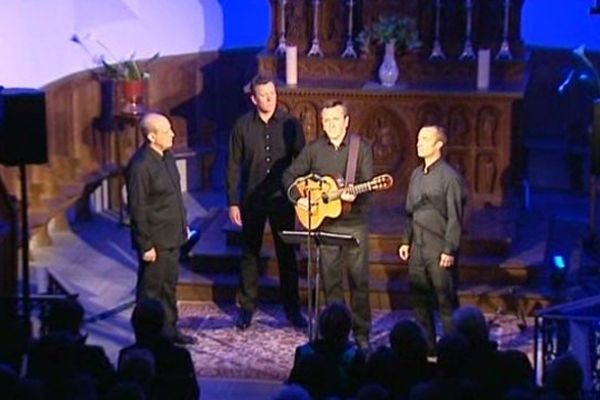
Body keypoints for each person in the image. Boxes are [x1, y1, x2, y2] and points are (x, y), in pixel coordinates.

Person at [283, 100, 374, 351]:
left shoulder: (361, 148)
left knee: (359, 281)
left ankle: (362, 333)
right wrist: (300, 199)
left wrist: (356, 197)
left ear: (346, 122)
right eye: (327, 121)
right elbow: (289, 177)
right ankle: (336, 334)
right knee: (330, 281)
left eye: (336, 120)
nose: (331, 126)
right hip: (325, 225)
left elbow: (368, 187)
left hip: (354, 224)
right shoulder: (313, 150)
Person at [226, 75, 307, 330]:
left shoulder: (290, 123)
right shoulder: (242, 126)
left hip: (282, 199)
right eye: (264, 94)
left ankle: (292, 309)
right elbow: (233, 165)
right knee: (250, 254)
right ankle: (246, 308)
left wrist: (302, 193)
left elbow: (302, 160)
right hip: (252, 199)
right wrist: (233, 202)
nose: (270, 98)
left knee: (287, 255)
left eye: (272, 93)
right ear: (254, 98)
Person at [125, 112, 196, 345]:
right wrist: (145, 244)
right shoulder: (140, 166)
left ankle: (169, 331)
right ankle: (146, 339)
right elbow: (138, 208)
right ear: (152, 136)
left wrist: (182, 224)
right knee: (150, 293)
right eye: (167, 131)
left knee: (169, 287)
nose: (173, 134)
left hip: (172, 236)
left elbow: (174, 195)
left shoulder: (167, 156)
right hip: (155, 242)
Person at [398, 125, 465, 353]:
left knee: (445, 303)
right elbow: (410, 212)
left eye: (425, 139)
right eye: (418, 139)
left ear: (438, 145)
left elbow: (456, 217)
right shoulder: (416, 175)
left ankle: (452, 350)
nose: (419, 143)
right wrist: (406, 240)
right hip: (418, 247)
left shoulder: (450, 177)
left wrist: (449, 249)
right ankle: (429, 350)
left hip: (439, 248)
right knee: (419, 302)